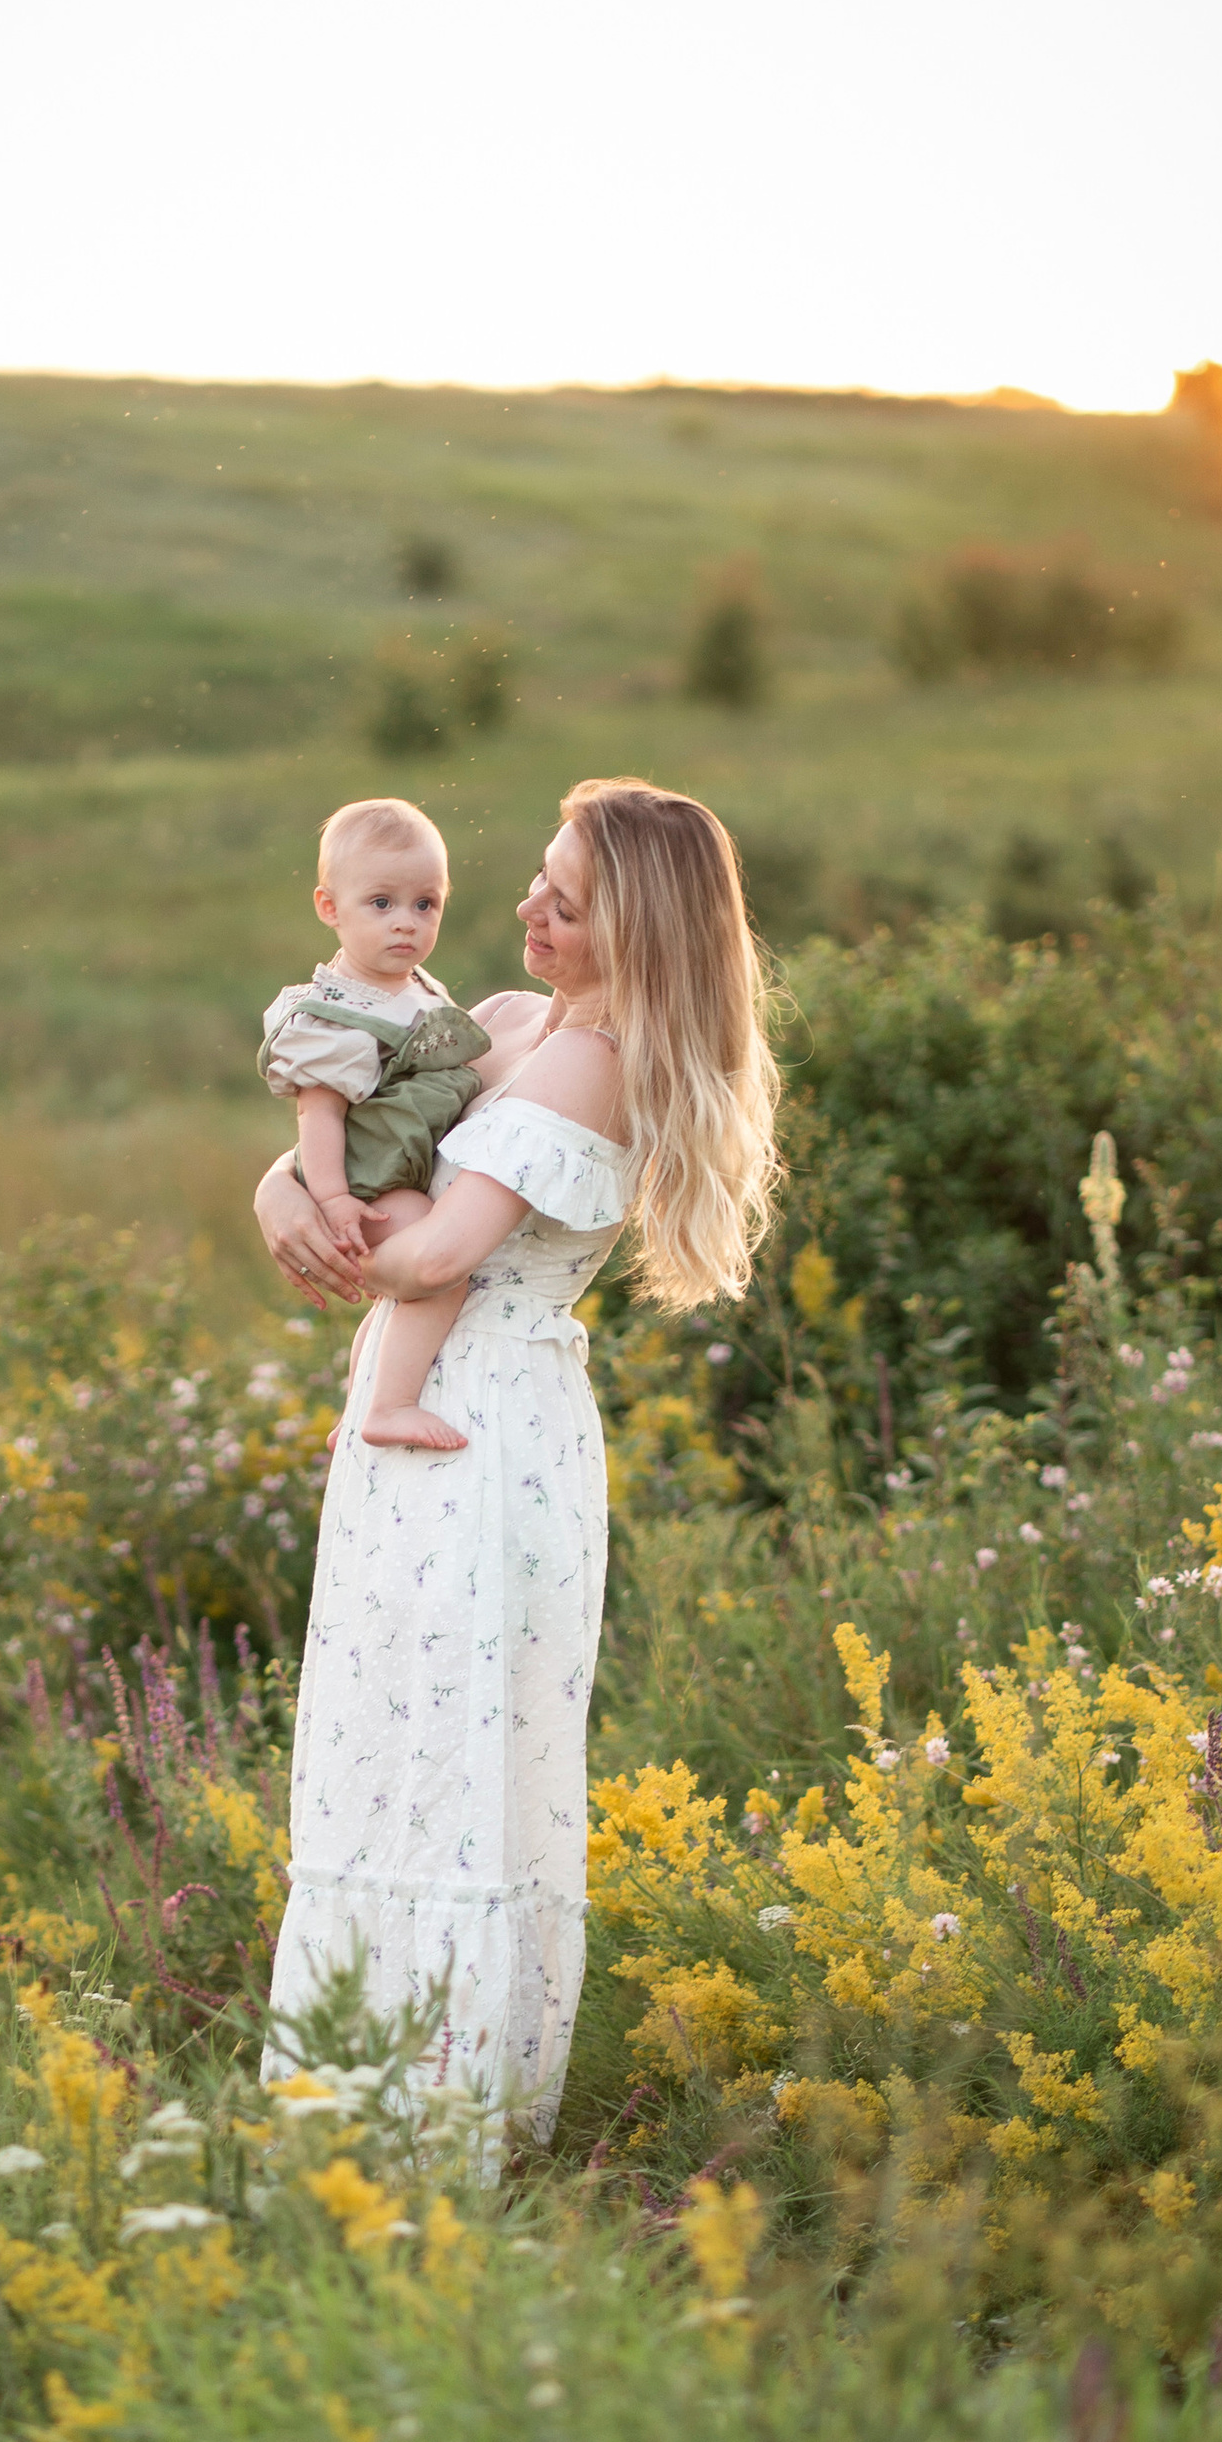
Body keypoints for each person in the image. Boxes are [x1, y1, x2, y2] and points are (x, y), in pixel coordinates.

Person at [254, 775, 781, 2163]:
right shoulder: (490, 1027)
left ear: (642, 931)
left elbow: (427, 1257)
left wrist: (330, 1227)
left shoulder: (595, 1067)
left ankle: (436, 2127)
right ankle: (352, 2102)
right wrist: (277, 1190)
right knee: (386, 1738)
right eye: (540, 875)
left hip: (483, 1436)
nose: (526, 904)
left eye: (568, 894)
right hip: (417, 1418)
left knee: (455, 1755)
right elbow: (347, 1131)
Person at [257, 796, 491, 1451]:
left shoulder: (417, 990)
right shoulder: (338, 1015)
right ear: (330, 908)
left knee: (400, 1299)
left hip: (388, 1168)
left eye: (426, 904)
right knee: (441, 1269)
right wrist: (332, 1199)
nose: (406, 924)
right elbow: (319, 1113)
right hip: (362, 1180)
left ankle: (357, 1402)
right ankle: (388, 1404)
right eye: (381, 904)